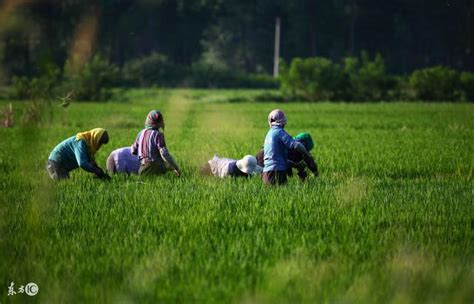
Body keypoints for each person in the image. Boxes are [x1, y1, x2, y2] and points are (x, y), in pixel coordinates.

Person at [262, 109, 310, 185]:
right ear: (284, 122)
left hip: (267, 174)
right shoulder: (279, 132)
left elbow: (277, 159)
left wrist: (295, 165)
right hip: (277, 172)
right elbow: (296, 145)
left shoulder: (269, 134)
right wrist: (307, 155)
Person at [131, 110, 181, 176]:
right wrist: (176, 167)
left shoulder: (140, 134)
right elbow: (164, 153)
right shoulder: (158, 135)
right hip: (156, 167)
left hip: (142, 168)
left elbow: (133, 151)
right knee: (167, 167)